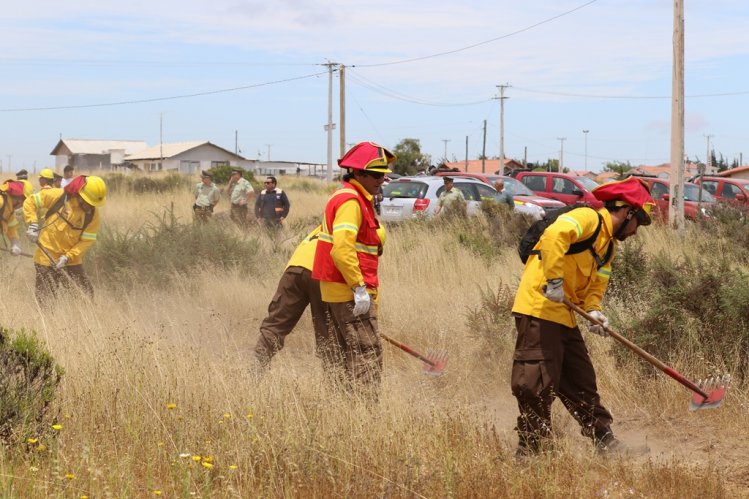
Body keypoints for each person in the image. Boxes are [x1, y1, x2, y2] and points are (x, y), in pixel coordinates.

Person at [510, 176, 655, 456]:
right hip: (539, 309)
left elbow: (596, 285)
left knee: (581, 381)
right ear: (627, 213)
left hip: (565, 316)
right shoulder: (588, 218)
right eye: (639, 223)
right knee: (535, 382)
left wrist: (593, 311)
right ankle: (530, 451)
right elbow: (554, 237)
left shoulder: (608, 246)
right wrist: (553, 281)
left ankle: (606, 443)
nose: (637, 231)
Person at [312, 141, 395, 396]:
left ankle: (346, 412)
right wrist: (359, 287)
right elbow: (342, 248)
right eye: (376, 175)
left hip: (342, 289)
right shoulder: (351, 201)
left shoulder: (356, 198)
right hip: (349, 291)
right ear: (358, 173)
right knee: (367, 354)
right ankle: (366, 415)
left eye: (384, 175)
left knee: (348, 354)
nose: (381, 180)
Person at [254, 225, 331, 368]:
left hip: (294, 269)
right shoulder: (350, 223)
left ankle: (256, 368)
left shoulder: (321, 227)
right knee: (329, 328)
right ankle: (335, 380)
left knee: (275, 325)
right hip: (322, 274)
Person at [23, 175, 106, 300]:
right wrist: (33, 224)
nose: (90, 206)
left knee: (85, 295)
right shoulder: (59, 196)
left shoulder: (92, 215)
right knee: (46, 300)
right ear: (80, 194)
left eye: (93, 204)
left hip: (70, 260)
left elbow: (87, 241)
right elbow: (30, 201)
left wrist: (68, 257)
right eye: (88, 202)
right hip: (45, 258)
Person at [0, 180, 30, 257]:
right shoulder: (1, 201)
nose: (22, 206)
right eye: (24, 203)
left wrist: (15, 243)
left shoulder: (9, 210)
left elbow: (11, 228)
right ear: (20, 199)